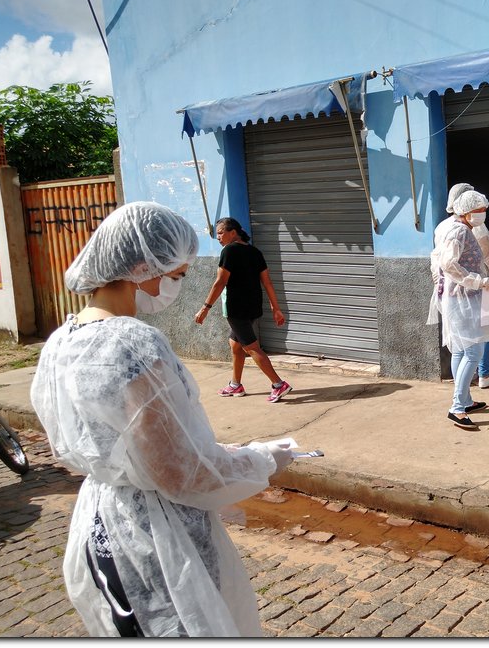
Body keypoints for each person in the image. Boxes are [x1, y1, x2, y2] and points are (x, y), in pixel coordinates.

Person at [29, 202, 296, 636]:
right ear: (139, 265)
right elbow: (179, 473)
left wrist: (216, 452)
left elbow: (127, 444)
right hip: (157, 538)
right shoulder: (133, 343)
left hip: (100, 523)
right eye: (174, 275)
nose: (174, 286)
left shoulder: (62, 340)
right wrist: (260, 460)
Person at [194, 217, 291, 403]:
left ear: (233, 232)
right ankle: (235, 384)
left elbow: (220, 282)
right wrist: (276, 308)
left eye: (221, 232)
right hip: (253, 307)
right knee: (235, 344)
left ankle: (279, 384)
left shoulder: (229, 251)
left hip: (236, 308)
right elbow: (267, 282)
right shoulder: (255, 252)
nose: (218, 237)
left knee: (251, 348)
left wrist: (205, 308)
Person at [428, 189, 489, 429]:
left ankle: (465, 400)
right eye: (479, 210)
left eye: (484, 210)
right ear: (466, 211)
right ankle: (457, 407)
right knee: (473, 352)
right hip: (462, 297)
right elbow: (448, 264)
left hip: (459, 296)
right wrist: (479, 281)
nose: (482, 214)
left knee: (459, 351)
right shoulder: (458, 230)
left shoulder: (459, 228)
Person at [433, 183, 489, 389]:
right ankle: (481, 376)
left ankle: (463, 395)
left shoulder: (442, 227)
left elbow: (437, 261)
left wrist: (440, 286)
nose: (481, 211)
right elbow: (488, 255)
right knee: (480, 338)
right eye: (478, 207)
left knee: (458, 347)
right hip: (471, 292)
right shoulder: (469, 228)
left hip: (449, 291)